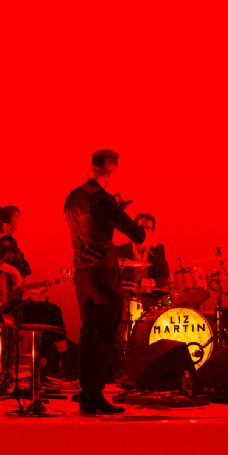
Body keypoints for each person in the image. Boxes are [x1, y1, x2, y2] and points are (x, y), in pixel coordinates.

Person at [64, 149, 145, 415]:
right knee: (106, 337)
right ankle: (94, 395)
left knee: (87, 335)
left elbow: (88, 228)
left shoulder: (72, 197)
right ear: (110, 172)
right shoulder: (104, 199)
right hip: (103, 276)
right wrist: (118, 210)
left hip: (82, 277)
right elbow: (136, 233)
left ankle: (87, 396)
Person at [0, 206, 76, 381]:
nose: (22, 220)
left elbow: (14, 288)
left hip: (12, 303)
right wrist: (15, 272)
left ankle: (42, 371)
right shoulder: (4, 244)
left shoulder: (14, 247)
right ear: (6, 226)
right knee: (53, 311)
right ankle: (66, 360)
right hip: (4, 308)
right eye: (17, 218)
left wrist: (36, 290)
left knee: (48, 317)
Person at [116, 212, 170, 290]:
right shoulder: (120, 250)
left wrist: (151, 282)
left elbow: (165, 277)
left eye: (148, 227)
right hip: (128, 295)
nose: (144, 230)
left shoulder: (158, 249)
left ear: (152, 230)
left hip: (151, 294)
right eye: (141, 227)